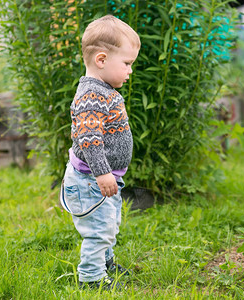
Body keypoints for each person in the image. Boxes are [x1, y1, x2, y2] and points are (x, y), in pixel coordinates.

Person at [60, 15, 140, 291]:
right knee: (98, 231)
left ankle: (105, 263)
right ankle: (92, 278)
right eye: (127, 63)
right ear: (102, 60)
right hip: (91, 180)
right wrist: (103, 172)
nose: (130, 70)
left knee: (108, 224)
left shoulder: (103, 90)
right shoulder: (92, 95)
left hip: (103, 180)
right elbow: (89, 139)